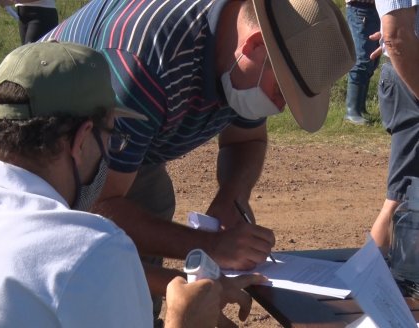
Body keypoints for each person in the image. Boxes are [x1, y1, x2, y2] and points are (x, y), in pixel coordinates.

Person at [42, 0, 355, 324]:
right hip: (49, 148)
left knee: (148, 215)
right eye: (281, 91)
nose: (279, 107)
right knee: (98, 280)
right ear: (254, 44)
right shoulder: (147, 60)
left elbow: (246, 140)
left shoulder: (243, 62)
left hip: (122, 143)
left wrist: (231, 198)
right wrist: (211, 245)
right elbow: (98, 205)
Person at [0, 41, 263, 327]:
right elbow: (79, 264)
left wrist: (174, 284)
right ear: (82, 139)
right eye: (109, 136)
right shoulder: (93, 247)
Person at [369, 1, 419, 251]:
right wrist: (395, 41)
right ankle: (366, 283)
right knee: (401, 198)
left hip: (407, 75)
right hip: (412, 81)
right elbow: (395, 34)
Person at [344, 0, 381, 125]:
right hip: (360, 7)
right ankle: (352, 111)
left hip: (374, 8)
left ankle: (360, 108)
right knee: (362, 59)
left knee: (372, 60)